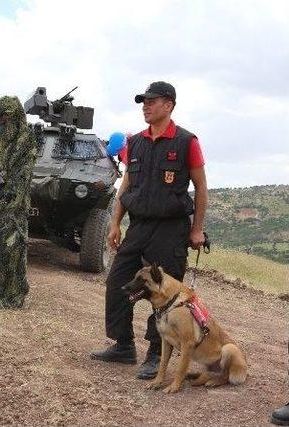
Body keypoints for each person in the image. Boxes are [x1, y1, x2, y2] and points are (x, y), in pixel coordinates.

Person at [90, 81, 208, 380]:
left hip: (171, 230)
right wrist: (116, 222)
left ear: (168, 105)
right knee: (118, 282)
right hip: (139, 227)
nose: (145, 106)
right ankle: (123, 345)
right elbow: (126, 185)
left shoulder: (186, 142)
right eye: (144, 102)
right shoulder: (137, 143)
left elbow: (201, 188)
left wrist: (197, 230)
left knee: (165, 294)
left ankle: (156, 354)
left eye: (151, 101)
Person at [0, 96, 36, 308]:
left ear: (18, 115)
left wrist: (11, 194)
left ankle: (14, 295)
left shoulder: (25, 139)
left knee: (12, 250)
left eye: (10, 114)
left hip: (14, 204)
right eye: (2, 114)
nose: (5, 119)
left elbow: (24, 173)